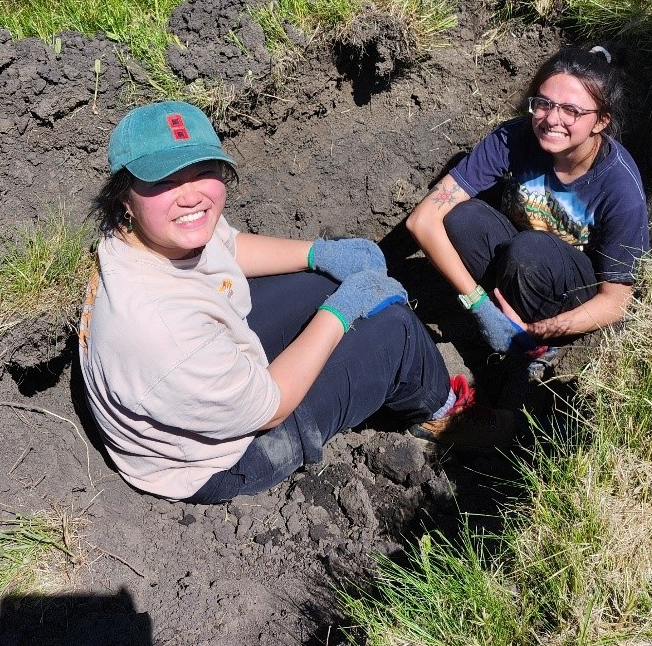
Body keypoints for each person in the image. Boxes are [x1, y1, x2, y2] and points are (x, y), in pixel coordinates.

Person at [77, 100, 496, 504]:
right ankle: (445, 414)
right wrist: (341, 311)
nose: (190, 196)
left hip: (202, 382)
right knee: (394, 333)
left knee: (327, 280)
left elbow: (230, 246)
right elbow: (271, 407)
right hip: (220, 460)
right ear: (124, 196)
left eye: (203, 171)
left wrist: (319, 253)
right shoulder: (160, 327)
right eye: (163, 181)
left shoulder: (144, 237)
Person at [406, 45, 649, 358]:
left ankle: (541, 351)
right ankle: (497, 318)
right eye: (544, 103)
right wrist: (480, 306)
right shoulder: (515, 138)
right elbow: (421, 220)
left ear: (601, 121)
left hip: (566, 292)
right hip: (513, 271)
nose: (551, 119)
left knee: (530, 250)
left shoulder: (620, 189)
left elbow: (616, 301)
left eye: (571, 111)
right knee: (461, 218)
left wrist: (536, 332)